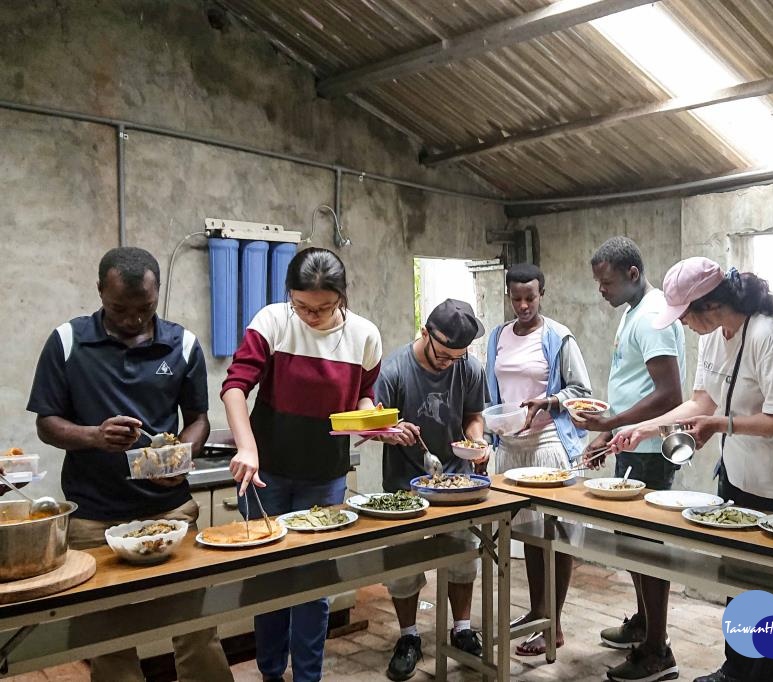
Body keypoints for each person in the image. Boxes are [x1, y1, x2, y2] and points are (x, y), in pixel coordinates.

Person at [613, 257, 773, 682]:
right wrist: (642, 429)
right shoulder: (714, 336)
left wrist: (722, 425)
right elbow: (701, 404)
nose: (685, 326)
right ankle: (736, 670)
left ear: (710, 305)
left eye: (686, 317)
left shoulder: (772, 336)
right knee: (741, 586)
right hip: (739, 478)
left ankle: (772, 678)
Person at [27, 246, 232, 682]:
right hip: (93, 518)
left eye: (146, 309)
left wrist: (182, 457)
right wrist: (94, 437)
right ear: (100, 291)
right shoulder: (68, 342)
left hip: (170, 512)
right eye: (120, 308)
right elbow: (47, 423)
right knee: (107, 637)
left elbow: (198, 420)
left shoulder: (183, 345)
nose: (134, 319)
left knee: (194, 623)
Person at [222, 247, 383, 682]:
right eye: (302, 306)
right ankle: (271, 673)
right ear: (289, 297)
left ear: (342, 298)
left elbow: (366, 393)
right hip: (265, 474)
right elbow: (235, 387)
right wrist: (247, 447)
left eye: (323, 308)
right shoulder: (273, 321)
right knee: (269, 578)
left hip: (325, 476)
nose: (311, 316)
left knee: (314, 586)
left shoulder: (364, 335)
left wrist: (369, 419)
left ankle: (308, 676)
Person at [575, 236, 684, 682]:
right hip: (630, 445)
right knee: (633, 544)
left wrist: (614, 422)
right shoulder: (633, 312)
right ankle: (643, 624)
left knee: (647, 548)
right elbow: (634, 385)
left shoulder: (655, 315)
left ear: (633, 274)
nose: (602, 290)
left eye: (607, 282)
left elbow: (669, 395)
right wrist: (607, 434)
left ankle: (657, 650)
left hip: (650, 451)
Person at [373, 298, 490, 681]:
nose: (448, 364)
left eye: (457, 357)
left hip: (455, 480)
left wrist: (477, 442)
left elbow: (474, 416)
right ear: (425, 333)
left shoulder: (468, 368)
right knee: (403, 565)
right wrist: (391, 432)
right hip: (403, 486)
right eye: (443, 355)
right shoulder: (393, 370)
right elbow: (375, 427)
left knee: (462, 555)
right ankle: (408, 637)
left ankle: (461, 629)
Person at [484, 263, 593, 656]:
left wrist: (550, 400)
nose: (524, 305)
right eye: (516, 298)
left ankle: (555, 626)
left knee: (555, 537)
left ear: (542, 293)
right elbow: (490, 390)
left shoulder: (558, 337)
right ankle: (537, 612)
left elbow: (582, 389)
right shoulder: (497, 336)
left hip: (548, 445)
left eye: (530, 297)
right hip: (511, 448)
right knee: (528, 537)